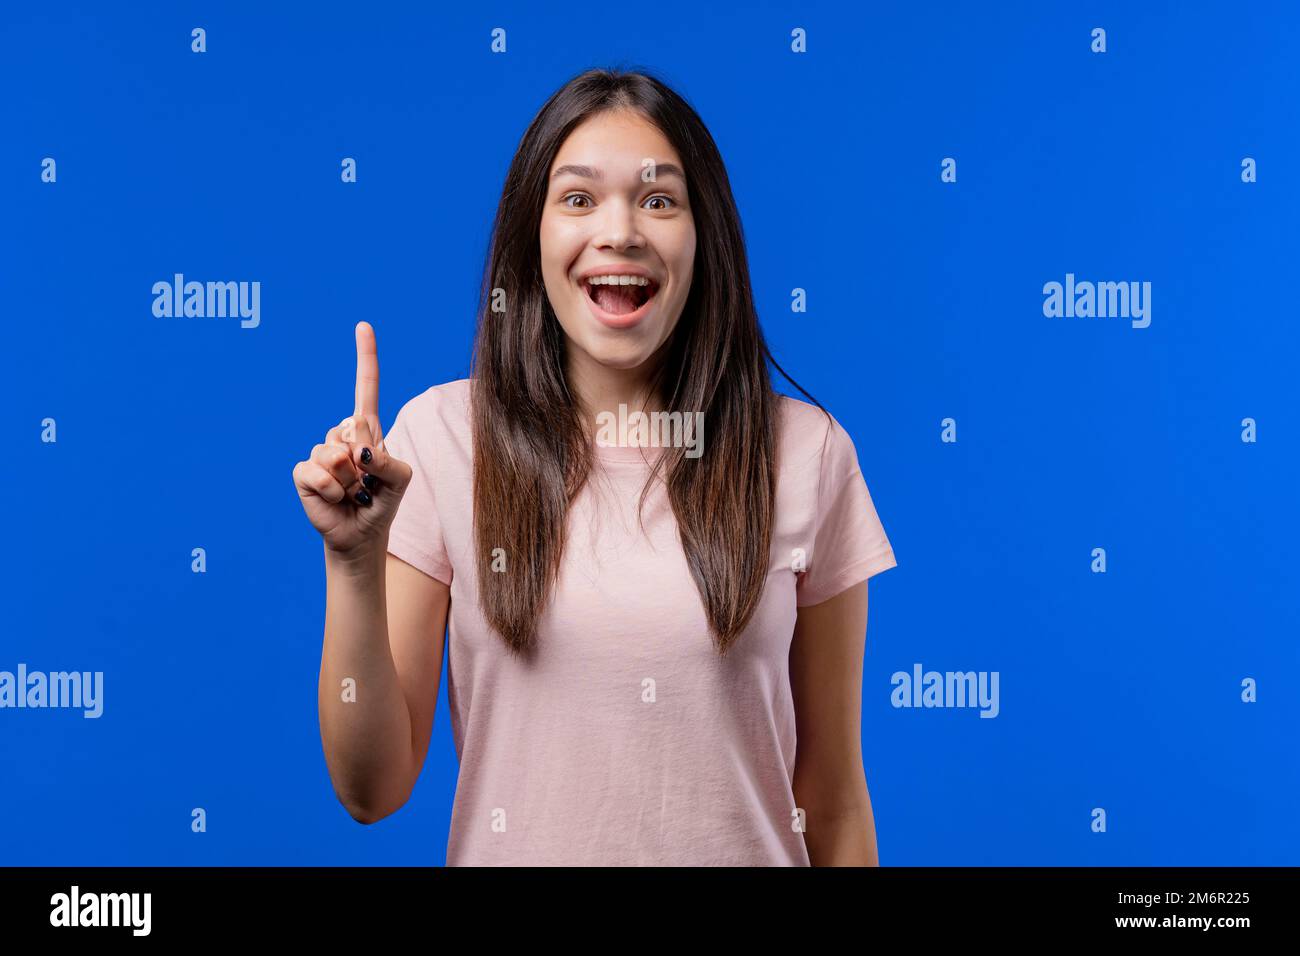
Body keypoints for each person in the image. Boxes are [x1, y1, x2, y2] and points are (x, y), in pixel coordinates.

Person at [293, 67, 898, 866]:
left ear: (704, 236)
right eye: (578, 199)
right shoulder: (441, 439)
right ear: (532, 238)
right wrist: (354, 562)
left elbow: (834, 801)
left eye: (659, 199)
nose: (620, 231)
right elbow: (371, 790)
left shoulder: (805, 453)